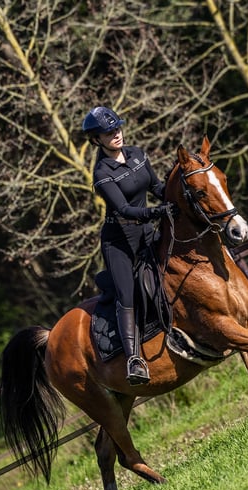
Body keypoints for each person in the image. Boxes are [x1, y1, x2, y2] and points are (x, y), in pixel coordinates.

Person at [82, 106, 174, 385]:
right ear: (97, 140)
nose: (116, 134)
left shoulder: (137, 153)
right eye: (108, 133)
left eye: (117, 128)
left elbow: (156, 187)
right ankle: (134, 359)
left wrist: (176, 195)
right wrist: (158, 212)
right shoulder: (102, 173)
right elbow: (123, 209)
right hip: (119, 242)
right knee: (127, 295)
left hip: (146, 232)